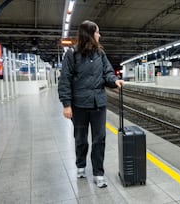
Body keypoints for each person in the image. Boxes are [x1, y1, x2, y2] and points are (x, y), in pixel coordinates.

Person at [58, 20, 124, 188]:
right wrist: (66, 104)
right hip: (79, 104)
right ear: (89, 34)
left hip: (98, 104)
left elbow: (108, 73)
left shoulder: (100, 54)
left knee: (99, 139)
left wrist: (114, 81)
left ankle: (98, 173)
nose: (99, 35)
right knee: (81, 139)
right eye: (97, 32)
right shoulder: (72, 54)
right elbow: (64, 80)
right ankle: (81, 165)